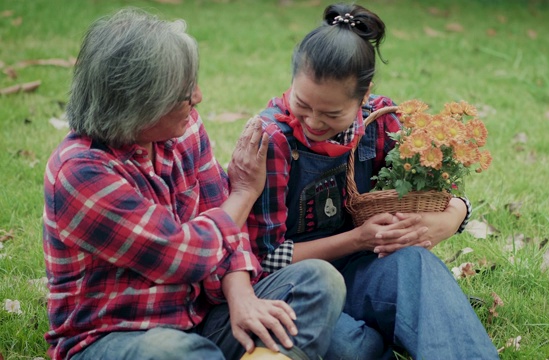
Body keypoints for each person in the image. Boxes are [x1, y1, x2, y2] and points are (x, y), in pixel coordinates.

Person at [42, 8, 346, 360]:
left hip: (201, 317)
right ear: (141, 105)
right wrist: (245, 193)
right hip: (117, 336)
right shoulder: (80, 173)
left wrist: (243, 297)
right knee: (174, 353)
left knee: (318, 282)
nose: (198, 97)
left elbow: (228, 231)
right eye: (185, 94)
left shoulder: (183, 129)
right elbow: (183, 255)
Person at [245, 3, 500, 359]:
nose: (313, 122)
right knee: (356, 347)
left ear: (364, 97)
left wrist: (454, 214)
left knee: (416, 266)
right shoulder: (273, 140)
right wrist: (358, 238)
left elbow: (444, 194)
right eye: (302, 104)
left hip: (363, 273)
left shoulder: (380, 123)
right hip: (295, 289)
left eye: (332, 113)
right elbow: (264, 259)